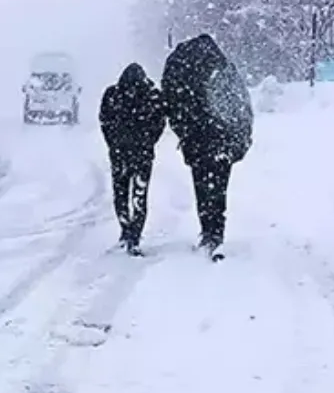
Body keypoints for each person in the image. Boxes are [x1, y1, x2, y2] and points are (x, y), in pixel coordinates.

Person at [161, 33, 254, 260]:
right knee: (219, 188)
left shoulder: (183, 71)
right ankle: (217, 233)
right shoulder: (223, 69)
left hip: (198, 143)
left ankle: (207, 230)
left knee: (202, 187)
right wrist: (241, 139)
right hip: (224, 142)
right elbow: (242, 106)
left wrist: (184, 133)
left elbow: (172, 106)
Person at [99, 63, 166, 256]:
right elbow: (160, 123)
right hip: (142, 155)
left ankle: (126, 230)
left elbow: (104, 120)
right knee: (140, 195)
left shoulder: (112, 95)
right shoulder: (152, 96)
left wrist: (113, 143)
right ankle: (135, 236)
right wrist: (148, 142)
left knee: (120, 194)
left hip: (119, 154)